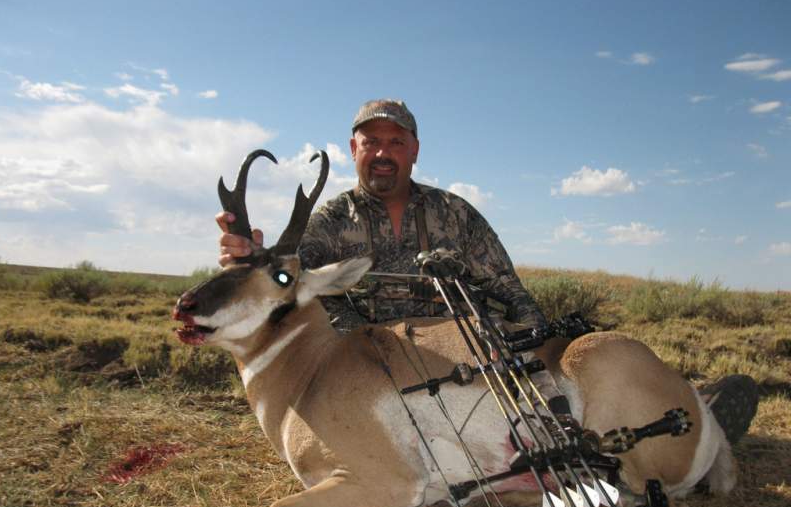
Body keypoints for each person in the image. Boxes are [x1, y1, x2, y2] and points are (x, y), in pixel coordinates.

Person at [217, 99, 758, 442]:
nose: (383, 152)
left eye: (396, 142)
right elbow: (285, 282)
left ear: (414, 151)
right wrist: (251, 257)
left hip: (468, 352)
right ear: (354, 149)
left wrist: (540, 345)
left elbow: (506, 287)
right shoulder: (330, 221)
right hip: (373, 364)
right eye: (372, 142)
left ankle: (695, 406)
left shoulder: (455, 213)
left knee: (575, 403)